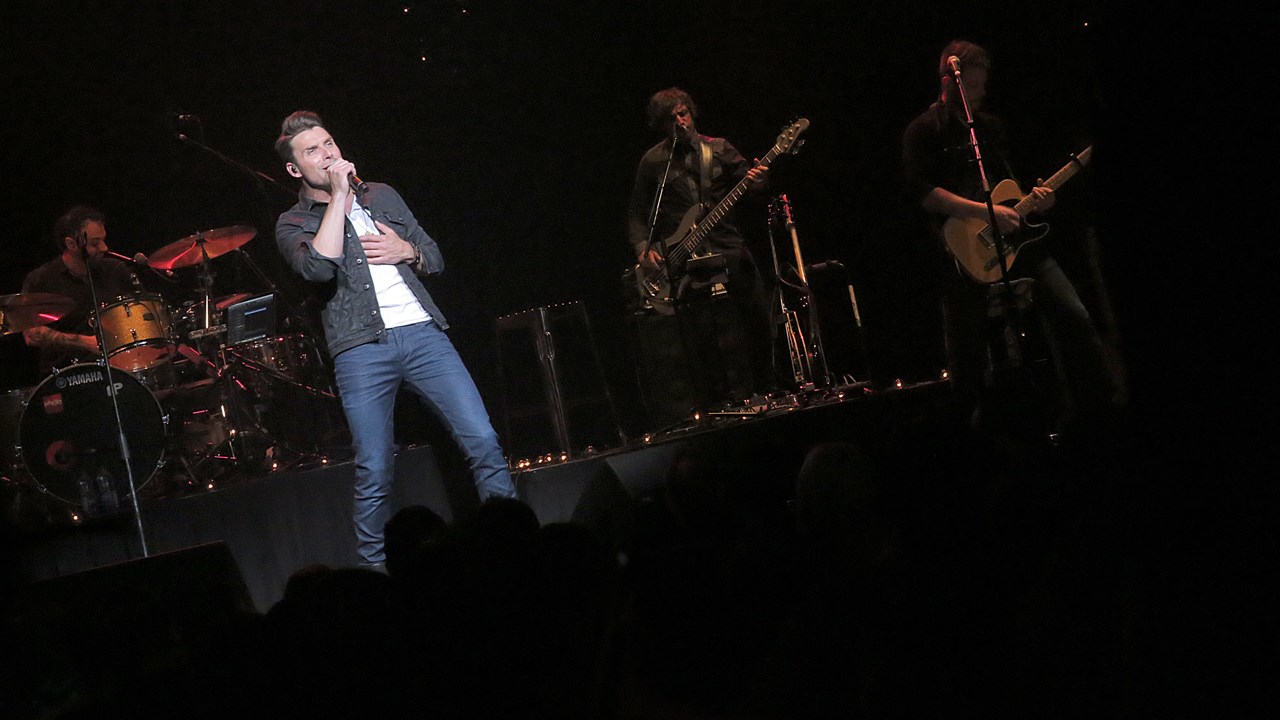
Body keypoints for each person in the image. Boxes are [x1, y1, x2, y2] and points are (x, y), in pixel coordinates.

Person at [273, 111, 517, 569]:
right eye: (312, 151)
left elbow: (434, 257)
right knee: (375, 468)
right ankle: (374, 573)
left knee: (483, 440)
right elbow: (317, 269)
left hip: (422, 335)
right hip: (360, 349)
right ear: (294, 168)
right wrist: (339, 198)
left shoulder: (381, 195)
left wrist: (408, 251)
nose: (326, 154)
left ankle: (510, 545)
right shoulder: (293, 222)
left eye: (329, 144)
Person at [902, 40, 1122, 435]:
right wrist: (984, 213)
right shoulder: (923, 131)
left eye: (983, 85)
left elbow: (1010, 189)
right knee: (967, 353)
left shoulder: (991, 128)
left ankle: (1098, 412)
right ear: (949, 83)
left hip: (1018, 243)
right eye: (973, 86)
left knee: (1074, 315)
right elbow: (926, 194)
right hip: (961, 253)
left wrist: (1037, 199)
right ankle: (967, 434)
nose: (981, 93)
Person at [625, 87, 775, 411]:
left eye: (683, 114)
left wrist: (760, 182)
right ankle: (719, 402)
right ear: (661, 125)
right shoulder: (653, 162)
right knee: (702, 335)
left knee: (755, 318)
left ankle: (767, 388)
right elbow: (637, 212)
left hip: (727, 245)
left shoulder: (719, 149)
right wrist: (643, 249)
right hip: (684, 259)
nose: (680, 122)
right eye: (672, 118)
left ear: (692, 113)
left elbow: (752, 190)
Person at [21, 205, 138, 375]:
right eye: (95, 243)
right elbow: (31, 335)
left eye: (103, 240)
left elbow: (139, 314)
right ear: (71, 244)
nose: (104, 248)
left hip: (121, 367)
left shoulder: (115, 270)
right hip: (67, 375)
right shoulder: (41, 280)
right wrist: (85, 342)